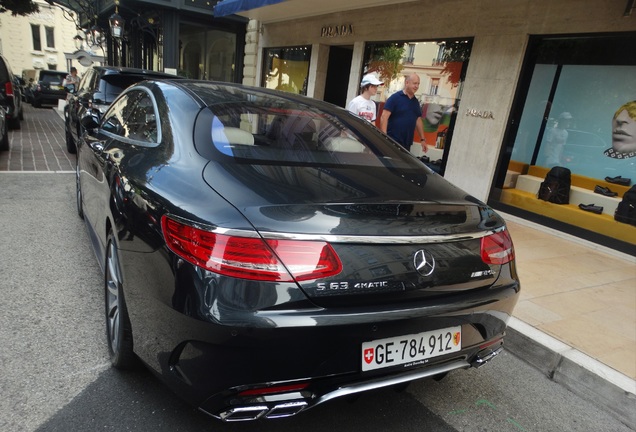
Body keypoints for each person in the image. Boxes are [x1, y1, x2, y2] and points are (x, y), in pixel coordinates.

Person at [380, 73, 427, 152]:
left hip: (407, 144)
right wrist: (384, 137)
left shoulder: (415, 102)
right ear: (407, 83)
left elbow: (418, 120)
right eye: (415, 83)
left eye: (418, 84)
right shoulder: (395, 98)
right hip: (392, 141)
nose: (417, 86)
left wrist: (422, 139)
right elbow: (384, 117)